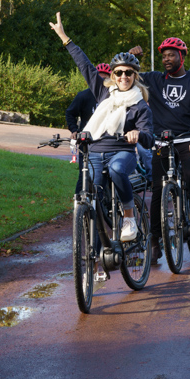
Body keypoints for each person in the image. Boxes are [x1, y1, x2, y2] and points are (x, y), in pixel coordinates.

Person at [50, 13, 154, 244]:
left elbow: (149, 138)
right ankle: (94, 254)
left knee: (117, 169)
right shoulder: (103, 92)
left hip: (122, 152)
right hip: (95, 152)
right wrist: (64, 37)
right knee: (92, 198)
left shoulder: (139, 104)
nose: (123, 76)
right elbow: (84, 65)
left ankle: (129, 216)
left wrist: (138, 135)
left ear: (135, 76)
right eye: (119, 72)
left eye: (128, 72)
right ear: (112, 76)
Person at [131, 40, 190, 259]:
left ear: (182, 56)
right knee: (157, 189)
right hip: (162, 141)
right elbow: (127, 74)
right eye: (164, 55)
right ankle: (155, 239)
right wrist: (130, 54)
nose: (167, 59)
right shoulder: (154, 79)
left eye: (171, 55)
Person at [66, 63, 109, 194]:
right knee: (84, 176)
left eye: (105, 79)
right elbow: (70, 113)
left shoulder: (113, 96)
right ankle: (79, 207)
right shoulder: (84, 96)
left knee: (107, 176)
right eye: (98, 78)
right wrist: (74, 130)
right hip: (87, 142)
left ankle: (106, 206)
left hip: (108, 141)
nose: (101, 82)